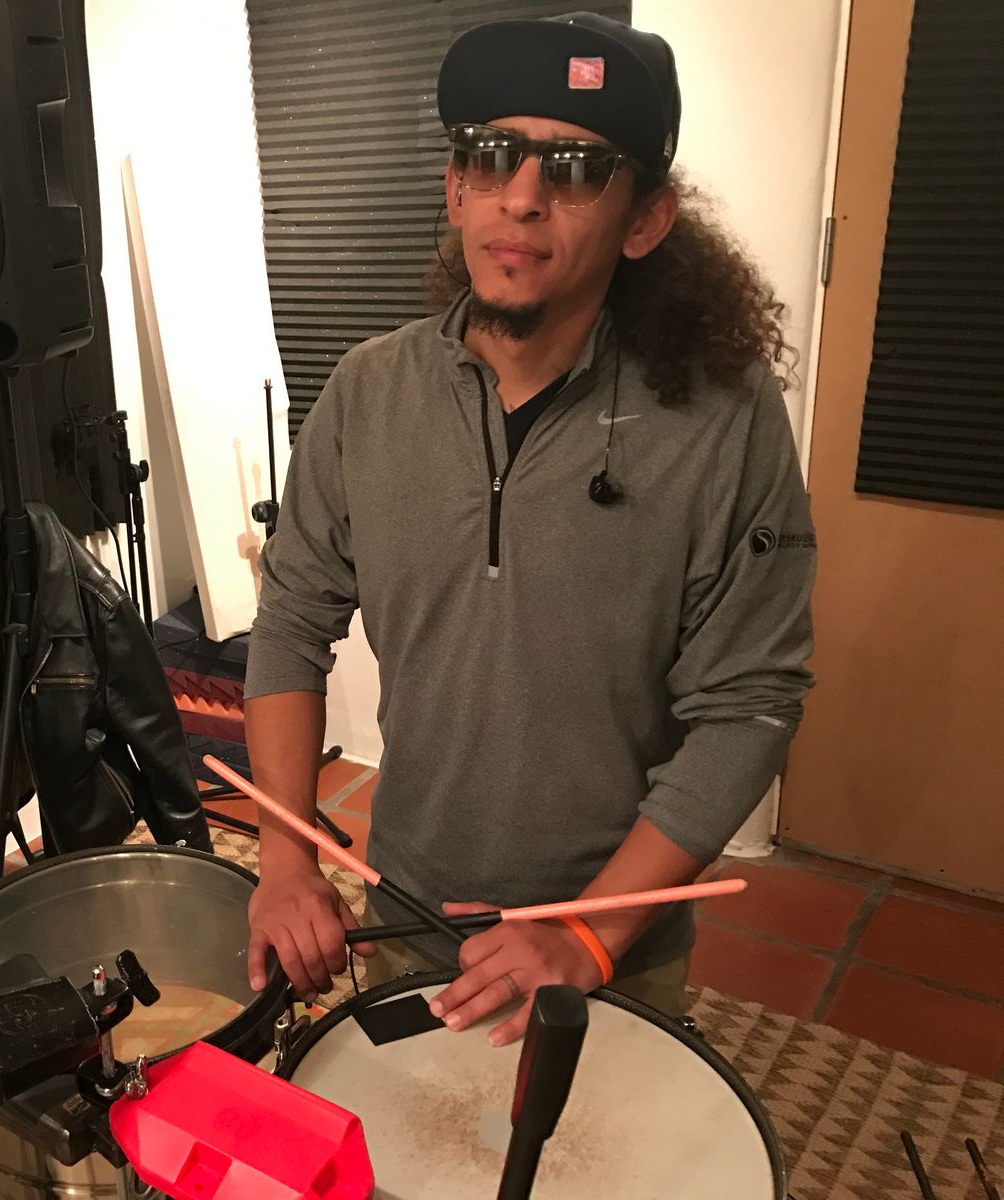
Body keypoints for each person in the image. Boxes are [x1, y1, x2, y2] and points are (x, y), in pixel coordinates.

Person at [242, 12, 816, 1046]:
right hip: (408, 906)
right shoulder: (368, 392)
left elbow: (750, 704)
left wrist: (592, 933)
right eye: (490, 155)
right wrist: (284, 853)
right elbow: (289, 621)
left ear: (645, 219)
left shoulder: (723, 417)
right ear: (454, 188)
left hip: (613, 935)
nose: (521, 196)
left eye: (576, 168)